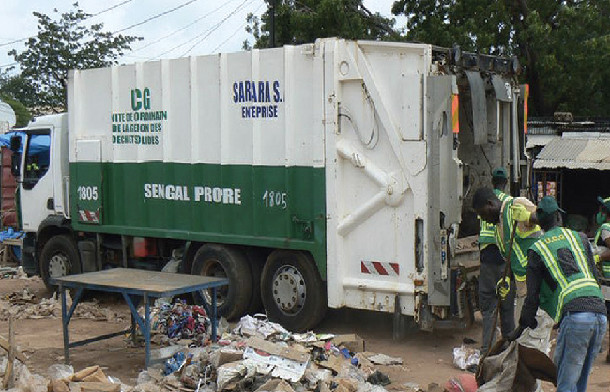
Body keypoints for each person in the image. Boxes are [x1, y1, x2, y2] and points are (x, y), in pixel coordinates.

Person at [508, 196, 607, 392]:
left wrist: (517, 331)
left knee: (566, 383)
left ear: (539, 222)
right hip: (600, 313)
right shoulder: (579, 238)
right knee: (579, 382)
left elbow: (532, 298)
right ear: (559, 218)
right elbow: (595, 277)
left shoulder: (537, 249)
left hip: (576, 317)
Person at [472, 188, 553, 356]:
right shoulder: (498, 228)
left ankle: (529, 380)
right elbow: (509, 258)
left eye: (482, 214)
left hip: (540, 290)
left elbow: (550, 221)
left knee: (530, 346)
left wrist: (529, 217)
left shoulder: (517, 205)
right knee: (523, 342)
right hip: (524, 292)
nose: (482, 219)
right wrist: (506, 279)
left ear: (490, 204)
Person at [477, 167, 515, 354]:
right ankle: (509, 349)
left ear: (492, 182)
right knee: (507, 306)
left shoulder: (485, 201)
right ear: (506, 182)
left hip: (488, 258)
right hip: (505, 259)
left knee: (489, 309)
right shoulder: (508, 202)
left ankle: (487, 351)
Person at [593, 195, 610, 362]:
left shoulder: (606, 227)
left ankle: (597, 346)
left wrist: (597, 258)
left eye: (601, 210)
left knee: (601, 312)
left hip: (605, 278)